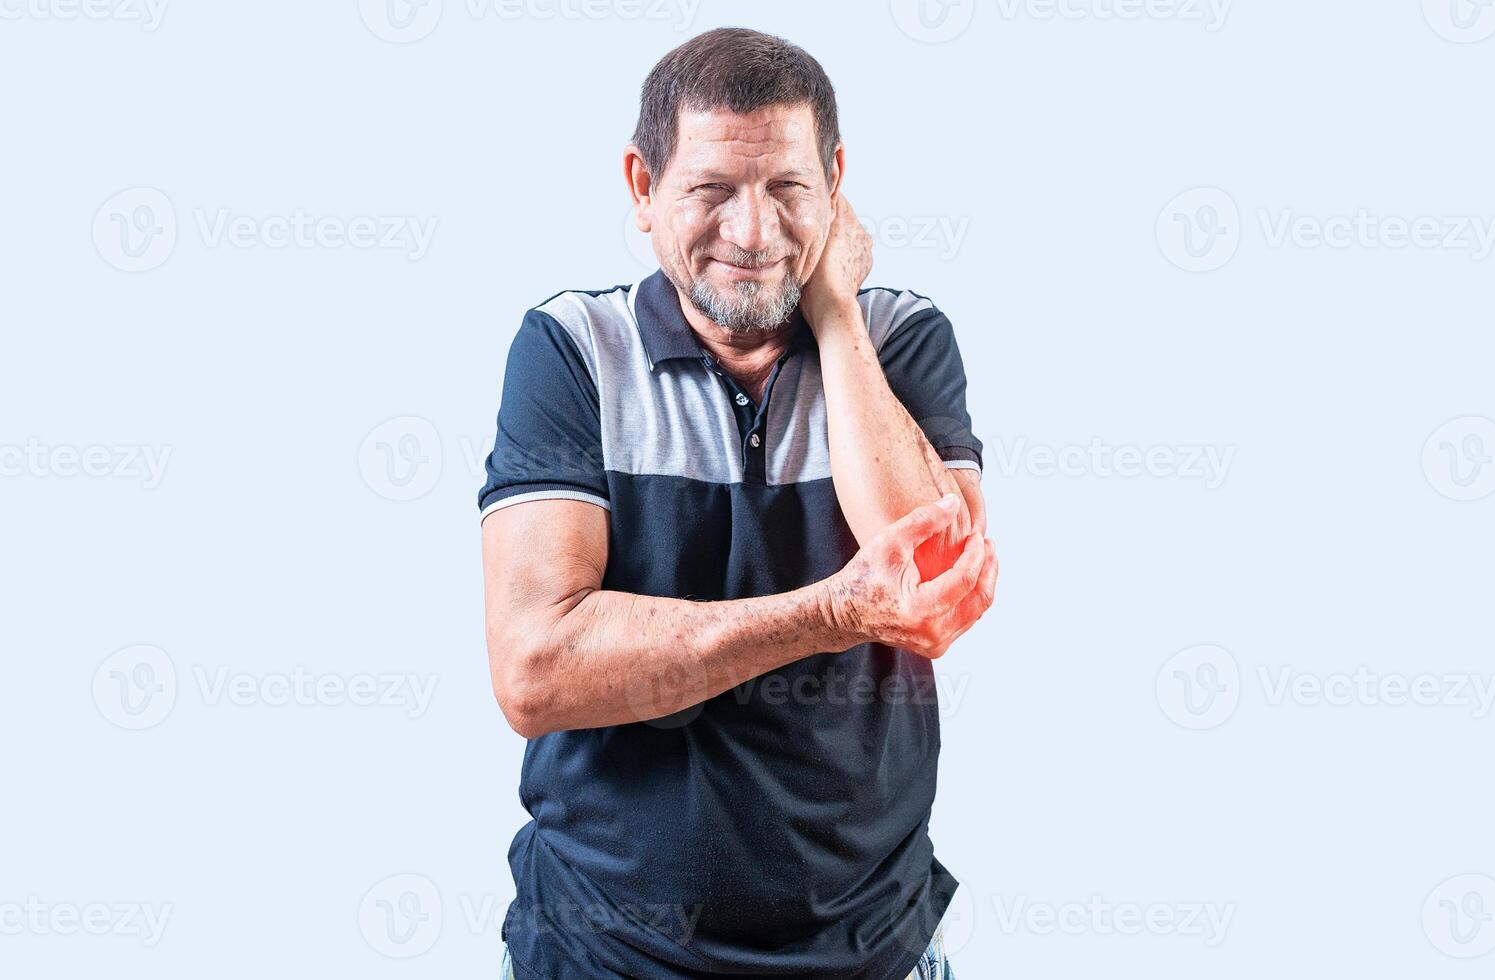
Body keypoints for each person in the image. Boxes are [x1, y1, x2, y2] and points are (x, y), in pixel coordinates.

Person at [478, 26, 996, 979]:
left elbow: (928, 581)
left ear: (835, 183)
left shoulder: (901, 338)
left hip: (870, 954)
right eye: (712, 191)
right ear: (642, 187)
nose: (753, 234)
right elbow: (537, 671)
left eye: (788, 190)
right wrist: (833, 611)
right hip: (603, 956)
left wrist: (838, 313)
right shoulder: (572, 352)